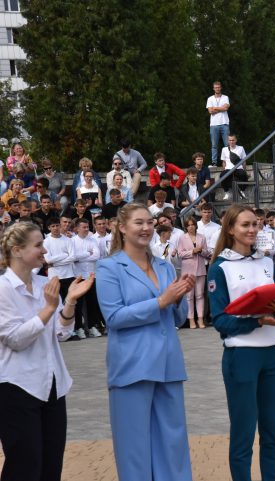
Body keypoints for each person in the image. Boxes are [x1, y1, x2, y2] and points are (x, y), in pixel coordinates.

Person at [95, 203, 195, 481]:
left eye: (150, 222)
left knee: (173, 445)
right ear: (122, 227)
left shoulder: (164, 266)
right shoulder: (109, 267)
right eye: (139, 223)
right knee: (134, 448)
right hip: (132, 366)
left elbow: (178, 318)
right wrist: (161, 301)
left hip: (168, 364)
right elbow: (114, 317)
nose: (146, 228)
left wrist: (179, 296)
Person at [0, 221, 93, 481]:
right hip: (16, 386)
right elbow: (15, 339)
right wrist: (49, 309)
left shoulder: (45, 285)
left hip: (53, 384)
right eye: (38, 245)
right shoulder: (3, 289)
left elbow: (61, 333)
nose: (44, 251)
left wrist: (69, 302)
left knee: (51, 465)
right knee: (24, 466)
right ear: (17, 250)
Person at [207, 204, 275, 481]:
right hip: (242, 354)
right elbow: (220, 321)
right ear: (231, 229)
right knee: (243, 434)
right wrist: (256, 322)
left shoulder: (267, 262)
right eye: (245, 225)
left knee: (272, 434)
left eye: (255, 224)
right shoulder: (220, 268)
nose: (252, 229)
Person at [176, 216, 210, 329]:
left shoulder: (202, 237)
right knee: (189, 296)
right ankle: (191, 319)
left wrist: (201, 251)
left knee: (200, 295)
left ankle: (200, 319)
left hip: (200, 269)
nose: (191, 227)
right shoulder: (182, 238)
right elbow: (180, 254)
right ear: (186, 227)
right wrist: (192, 251)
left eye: (192, 225)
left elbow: (207, 253)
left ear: (196, 225)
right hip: (188, 270)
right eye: (188, 225)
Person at [207, 81, 231, 166]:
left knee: (227, 144)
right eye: (216, 87)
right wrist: (221, 108)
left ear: (221, 88)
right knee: (214, 145)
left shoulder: (225, 97)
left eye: (218, 87)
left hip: (224, 123)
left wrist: (215, 108)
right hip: (214, 125)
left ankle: (229, 161)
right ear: (213, 88)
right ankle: (214, 163)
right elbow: (210, 111)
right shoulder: (210, 98)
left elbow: (226, 108)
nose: (217, 89)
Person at [220, 134, 249, 200]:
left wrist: (245, 171)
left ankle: (242, 192)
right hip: (228, 168)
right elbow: (224, 162)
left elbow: (244, 161)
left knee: (243, 174)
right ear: (228, 141)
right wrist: (224, 170)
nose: (231, 142)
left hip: (238, 168)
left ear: (236, 140)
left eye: (233, 140)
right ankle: (227, 192)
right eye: (230, 140)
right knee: (222, 175)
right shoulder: (224, 149)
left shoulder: (241, 148)